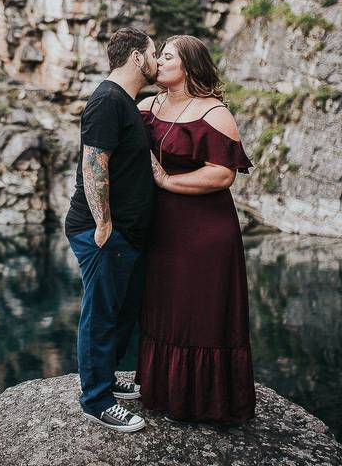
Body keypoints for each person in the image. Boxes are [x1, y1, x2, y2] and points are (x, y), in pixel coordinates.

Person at [136, 34, 256, 424]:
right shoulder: (145, 107)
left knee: (198, 312)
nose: (158, 63)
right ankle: (164, 393)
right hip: (161, 228)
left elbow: (222, 175)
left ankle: (204, 402)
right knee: (165, 309)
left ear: (188, 65)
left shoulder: (213, 113)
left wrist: (168, 182)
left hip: (205, 231)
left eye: (167, 57)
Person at [64, 26, 158, 432]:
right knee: (100, 315)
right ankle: (96, 400)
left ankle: (107, 379)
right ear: (137, 57)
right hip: (101, 231)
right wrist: (103, 223)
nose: (157, 60)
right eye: (154, 53)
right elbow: (94, 162)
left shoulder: (126, 101)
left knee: (123, 311)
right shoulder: (106, 100)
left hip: (126, 233)